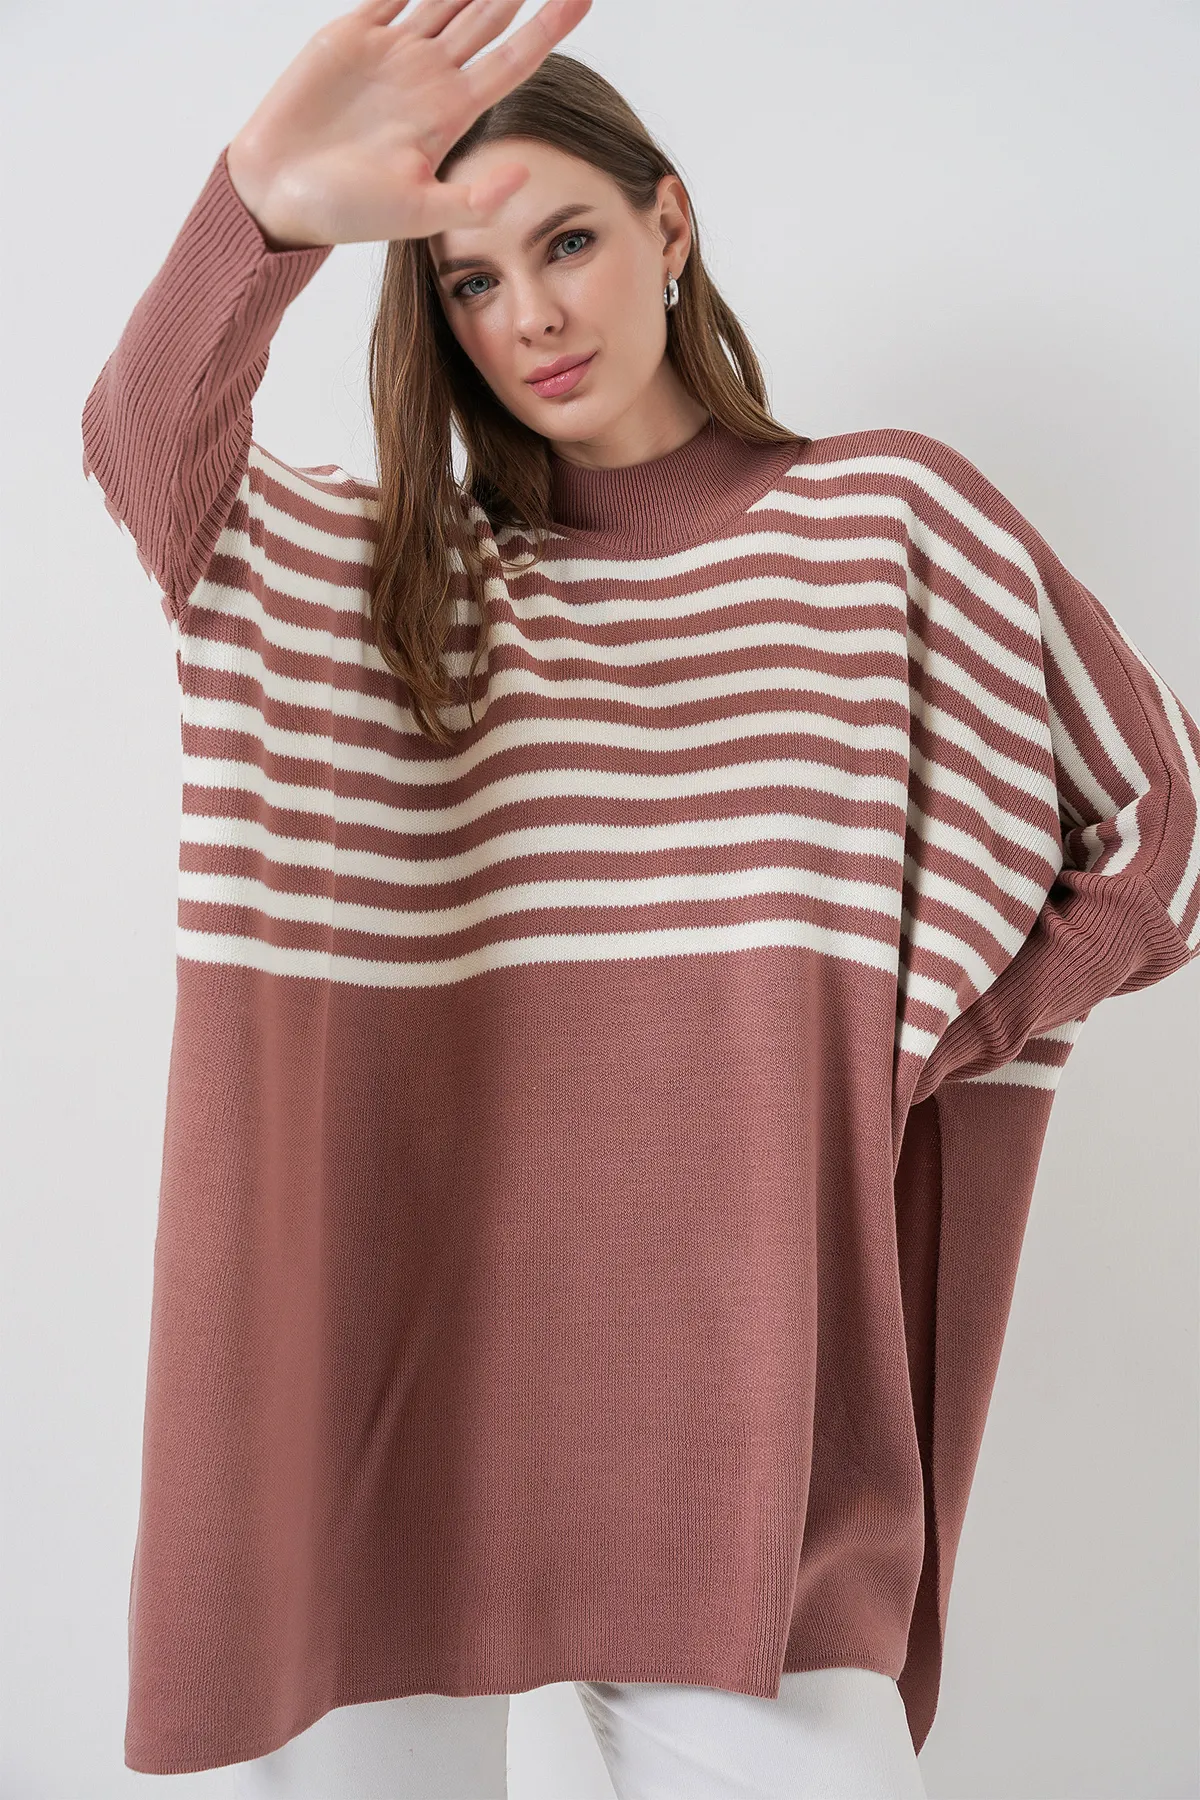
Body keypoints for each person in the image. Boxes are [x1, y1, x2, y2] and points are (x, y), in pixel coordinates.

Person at [80, 0, 1200, 1793]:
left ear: (668, 224)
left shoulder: (886, 525)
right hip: (391, 1421)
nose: (529, 314)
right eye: (469, 279)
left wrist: (896, 1047)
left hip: (741, 1445)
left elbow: (1161, 829)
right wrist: (263, 205)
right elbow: (149, 452)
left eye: (568, 242)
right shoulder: (403, 586)